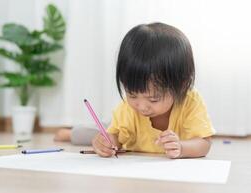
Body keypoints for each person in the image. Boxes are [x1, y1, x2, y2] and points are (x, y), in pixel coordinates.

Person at [55, 22, 215, 159]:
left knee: (101, 127)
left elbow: (204, 144)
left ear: (181, 84)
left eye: (153, 99)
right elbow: (116, 138)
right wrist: (107, 143)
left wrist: (182, 148)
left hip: (135, 129)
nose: (141, 106)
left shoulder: (191, 103)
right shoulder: (129, 108)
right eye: (132, 94)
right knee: (94, 134)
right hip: (126, 127)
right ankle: (69, 134)